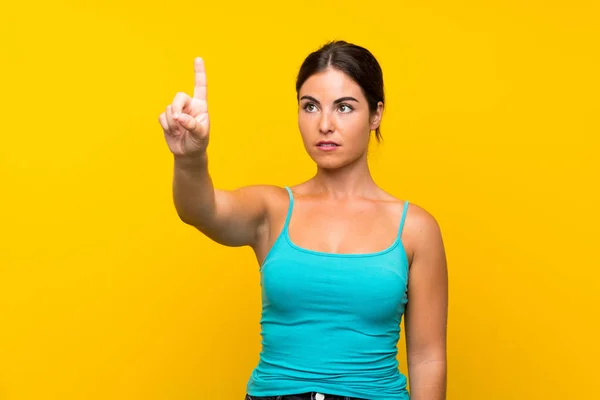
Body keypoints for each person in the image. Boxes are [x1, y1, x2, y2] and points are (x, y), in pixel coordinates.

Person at [158, 41, 448, 400]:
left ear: (376, 114)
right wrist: (190, 159)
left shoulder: (416, 228)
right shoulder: (272, 208)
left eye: (344, 107)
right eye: (310, 107)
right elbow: (200, 210)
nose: (324, 124)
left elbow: (427, 357)